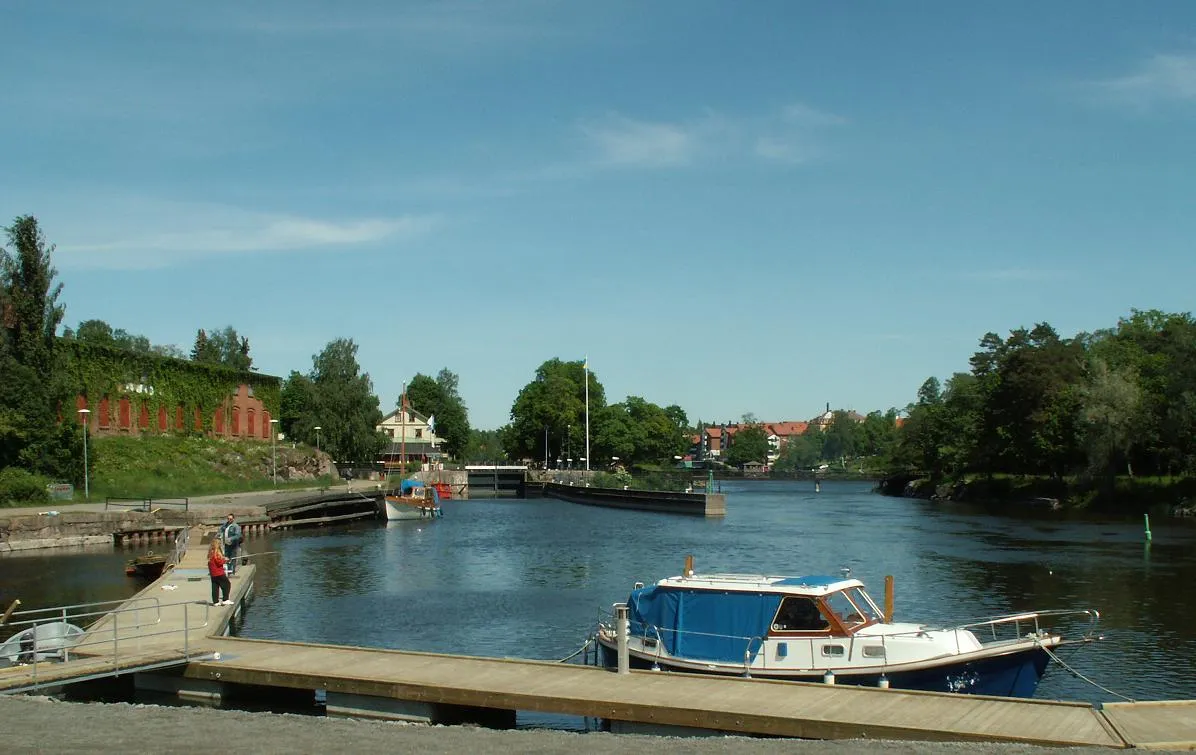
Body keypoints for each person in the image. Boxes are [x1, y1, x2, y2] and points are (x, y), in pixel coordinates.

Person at [208, 538, 232, 606]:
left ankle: (215, 602)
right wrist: (226, 561)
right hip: (219, 573)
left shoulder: (211, 551)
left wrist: (223, 558)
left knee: (215, 587)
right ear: (217, 544)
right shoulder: (216, 552)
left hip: (213, 573)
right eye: (219, 544)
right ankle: (225, 599)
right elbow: (219, 562)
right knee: (227, 584)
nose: (220, 545)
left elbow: (215, 560)